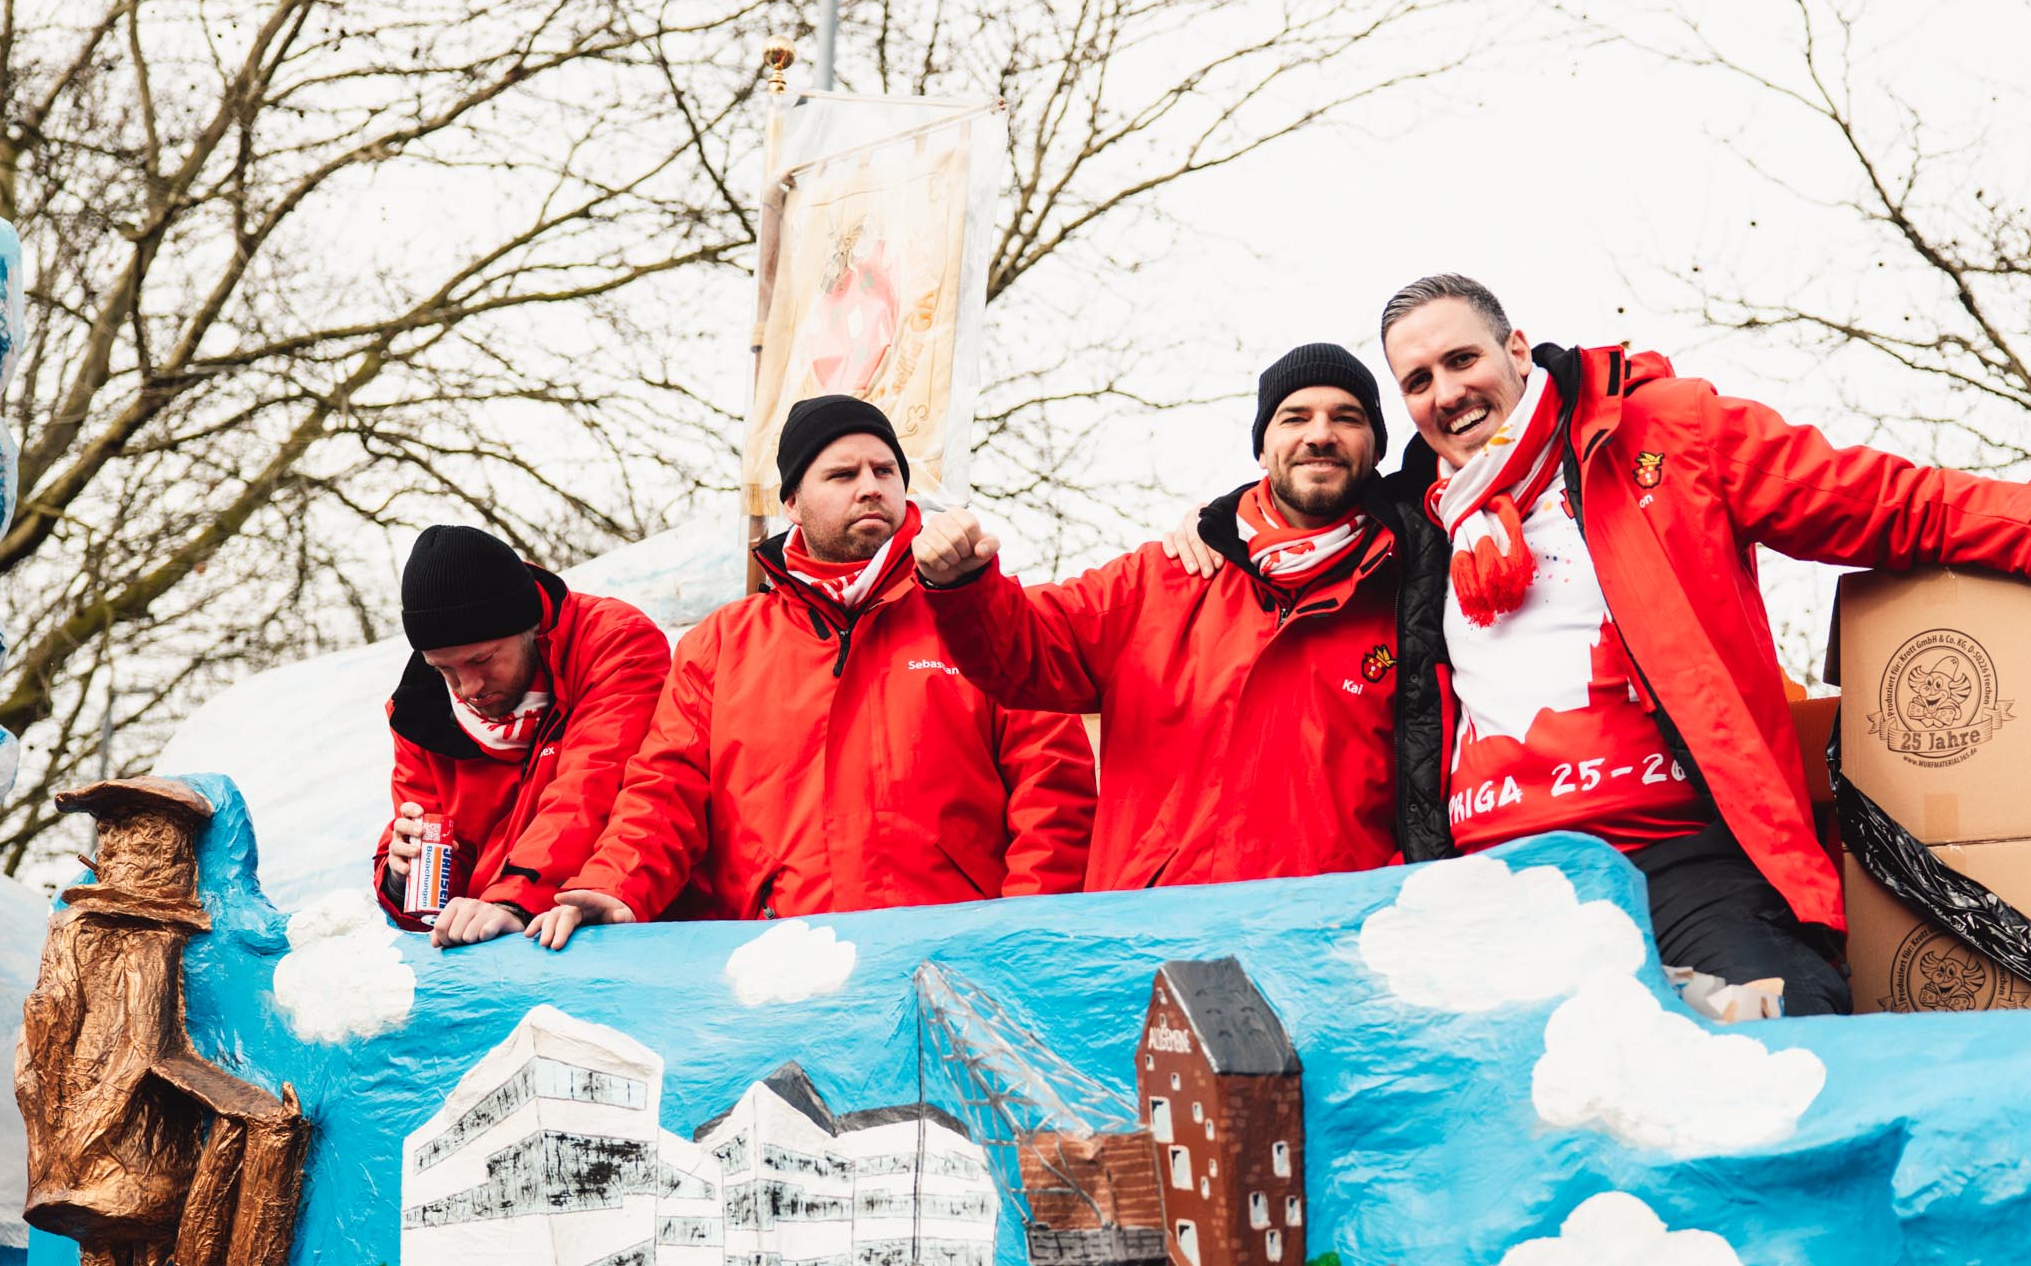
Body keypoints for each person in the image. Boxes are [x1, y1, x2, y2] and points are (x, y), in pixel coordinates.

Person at [1170, 277, 2031, 1015]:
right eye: (1418, 380)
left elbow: (1878, 499)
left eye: (1462, 359)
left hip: (1681, 857)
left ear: (1515, 348)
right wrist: (1212, 527)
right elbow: (1298, 513)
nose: (1446, 391)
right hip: (1501, 887)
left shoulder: (1661, 434)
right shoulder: (1416, 523)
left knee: (1773, 1049)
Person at [531, 394, 1094, 945]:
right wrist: (615, 885)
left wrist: (1021, 937)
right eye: (843, 474)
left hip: (950, 957)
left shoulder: (980, 613)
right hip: (778, 963)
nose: (871, 486)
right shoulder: (721, 644)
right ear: (793, 504)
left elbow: (1051, 794)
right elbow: (664, 792)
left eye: (885, 470)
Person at [910, 343, 1405, 889]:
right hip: (1158, 928)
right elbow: (1021, 647)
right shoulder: (1164, 578)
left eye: (1346, 418)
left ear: (1377, 446)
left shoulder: (1412, 593)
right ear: (1263, 449)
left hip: (1332, 930)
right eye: (1295, 417)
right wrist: (962, 583)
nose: (1320, 434)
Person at [378, 523, 670, 946]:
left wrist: (512, 902)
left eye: (482, 659)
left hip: (616, 924)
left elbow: (592, 786)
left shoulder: (612, 642)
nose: (468, 688)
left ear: (528, 624)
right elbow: (438, 881)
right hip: (498, 939)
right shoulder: (418, 711)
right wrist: (401, 879)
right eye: (444, 669)